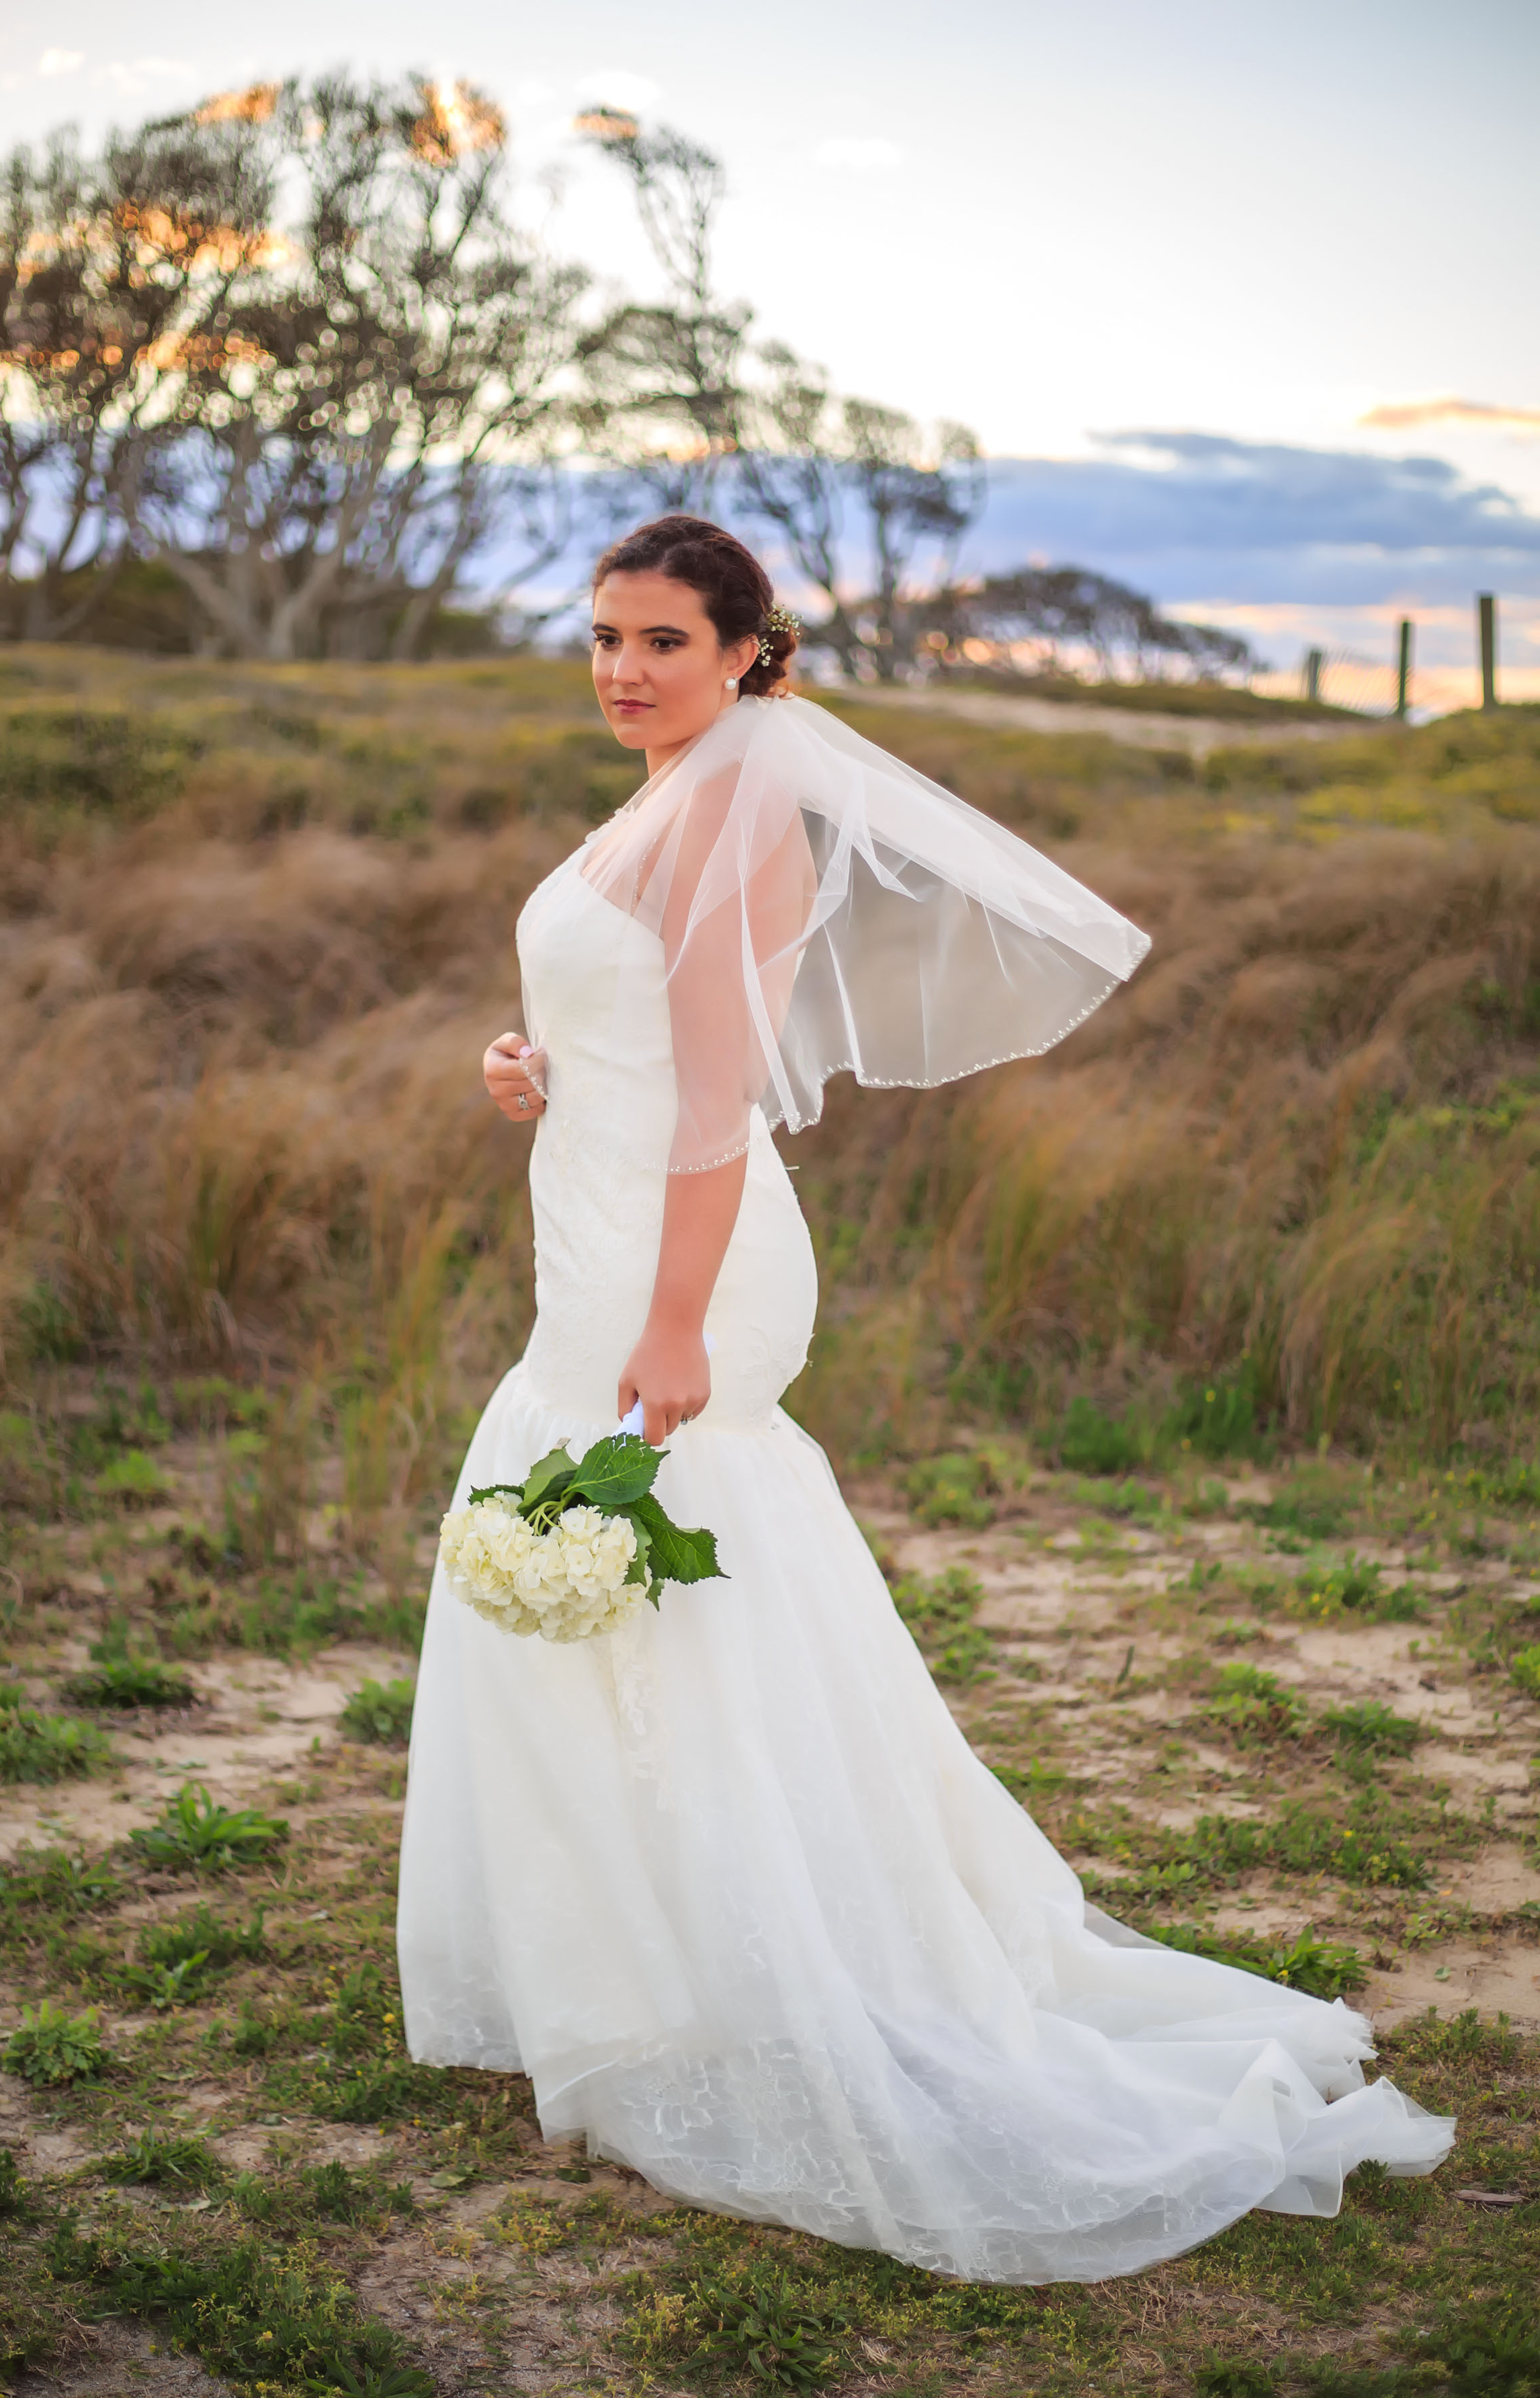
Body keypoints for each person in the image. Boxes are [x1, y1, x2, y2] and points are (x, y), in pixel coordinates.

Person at [396, 515, 1451, 2282]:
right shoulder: (663, 788)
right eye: (604, 636)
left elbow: (721, 1106)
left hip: (681, 1253)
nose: (622, 669)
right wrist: (530, 1066)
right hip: (597, 1207)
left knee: (674, 1556)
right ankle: (647, 1956)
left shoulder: (738, 811)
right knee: (608, 1574)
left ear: (749, 650)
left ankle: (772, 1963)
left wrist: (672, 1330)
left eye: (662, 639)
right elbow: (624, 1026)